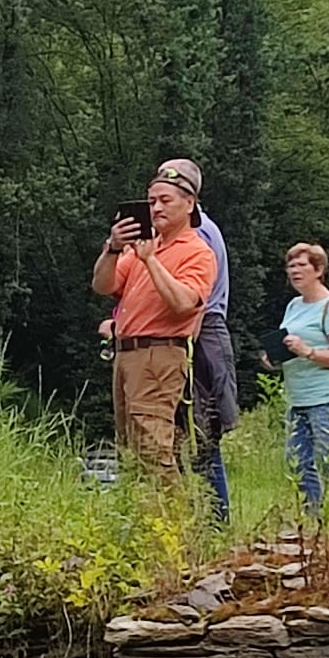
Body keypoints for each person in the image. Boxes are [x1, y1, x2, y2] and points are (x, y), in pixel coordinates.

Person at [91, 166, 218, 479]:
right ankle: (144, 508)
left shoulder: (198, 252)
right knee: (129, 446)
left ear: (189, 204)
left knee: (152, 446)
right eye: (151, 201)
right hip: (126, 355)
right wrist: (113, 248)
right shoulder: (145, 246)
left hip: (159, 354)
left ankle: (171, 511)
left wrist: (150, 261)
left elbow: (184, 303)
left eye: (165, 200)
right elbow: (102, 285)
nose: (156, 208)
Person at [160, 159, 239, 520]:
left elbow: (195, 301)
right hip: (189, 332)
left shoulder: (198, 232)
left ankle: (216, 524)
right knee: (177, 436)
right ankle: (187, 522)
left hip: (200, 333)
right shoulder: (170, 236)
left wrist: (182, 351)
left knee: (202, 437)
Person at [268, 242, 329, 517]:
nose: (294, 271)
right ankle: (312, 520)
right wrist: (274, 357)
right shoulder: (294, 306)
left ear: (318, 270)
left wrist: (308, 351)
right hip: (297, 397)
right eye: (291, 266)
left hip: (327, 397)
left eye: (301, 265)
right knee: (298, 461)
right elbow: (290, 345)